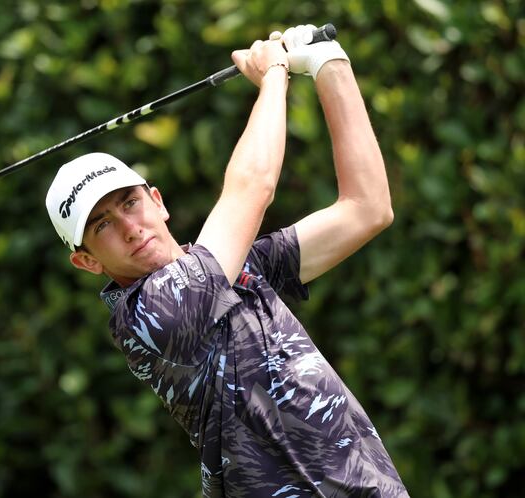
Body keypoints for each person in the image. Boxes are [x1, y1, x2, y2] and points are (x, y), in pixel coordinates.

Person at [44, 25, 409, 498]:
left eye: (129, 203)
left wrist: (329, 64)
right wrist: (274, 75)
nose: (129, 226)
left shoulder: (240, 269)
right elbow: (252, 188)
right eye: (101, 226)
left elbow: (367, 208)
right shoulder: (150, 314)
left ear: (157, 201)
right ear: (87, 262)